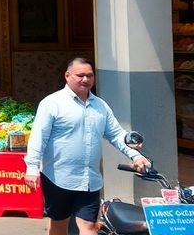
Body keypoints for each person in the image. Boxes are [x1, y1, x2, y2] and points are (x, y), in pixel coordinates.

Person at [24, 57, 151, 235]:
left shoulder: (101, 106)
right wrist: (31, 167)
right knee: (60, 224)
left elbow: (116, 134)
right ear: (67, 76)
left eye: (90, 75)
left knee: (89, 226)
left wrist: (136, 155)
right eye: (80, 75)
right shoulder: (52, 103)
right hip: (58, 178)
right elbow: (39, 137)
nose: (85, 79)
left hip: (90, 180)